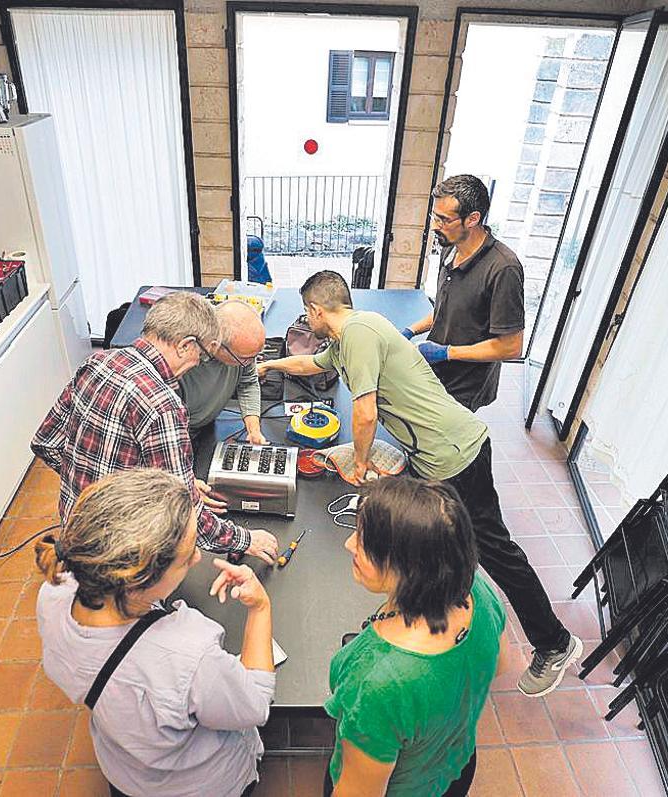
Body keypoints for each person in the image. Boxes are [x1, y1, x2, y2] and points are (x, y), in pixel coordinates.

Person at [259, 271, 579, 696]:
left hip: (454, 454)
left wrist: (358, 462)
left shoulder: (358, 334)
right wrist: (267, 363)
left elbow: (366, 412)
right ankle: (420, 618)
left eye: (306, 313)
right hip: (433, 458)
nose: (306, 320)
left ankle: (555, 643)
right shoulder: (347, 338)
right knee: (430, 536)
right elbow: (310, 363)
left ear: (316, 311)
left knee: (493, 550)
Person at [35, 468, 275, 797]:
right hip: (200, 786)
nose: (198, 558)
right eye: (189, 553)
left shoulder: (54, 593)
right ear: (143, 577)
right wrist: (260, 608)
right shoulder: (190, 652)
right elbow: (255, 705)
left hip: (124, 772)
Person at [31, 291, 279, 564]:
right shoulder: (163, 406)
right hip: (121, 554)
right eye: (200, 353)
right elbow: (186, 515)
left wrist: (88, 476)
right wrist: (246, 540)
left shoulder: (96, 363)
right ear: (185, 345)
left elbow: (46, 441)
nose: (199, 361)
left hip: (75, 532)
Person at [324, 477, 505, 796]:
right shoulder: (479, 590)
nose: (349, 544)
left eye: (365, 542)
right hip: (455, 768)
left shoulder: (378, 684)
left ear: (409, 567)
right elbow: (498, 665)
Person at [402, 175, 526, 412]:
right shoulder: (449, 249)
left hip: (465, 386)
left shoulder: (503, 268)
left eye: (444, 219)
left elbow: (511, 347)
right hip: (437, 374)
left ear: (473, 219)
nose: (435, 225)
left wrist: (447, 353)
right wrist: (410, 330)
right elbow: (447, 309)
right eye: (434, 216)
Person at [180, 300, 269, 445]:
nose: (250, 363)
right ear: (216, 344)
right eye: (245, 359)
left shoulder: (242, 353)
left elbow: (248, 383)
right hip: (181, 433)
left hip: (208, 424)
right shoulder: (185, 362)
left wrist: (254, 430)